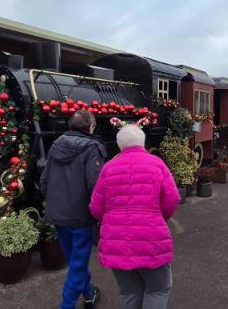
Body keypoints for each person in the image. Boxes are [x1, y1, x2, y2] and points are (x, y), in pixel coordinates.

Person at [90, 125, 180, 309]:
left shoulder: (108, 168)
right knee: (157, 289)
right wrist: (158, 216)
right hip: (151, 239)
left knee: (130, 291)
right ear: (142, 142)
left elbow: (96, 209)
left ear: (119, 145)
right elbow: (172, 198)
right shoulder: (156, 164)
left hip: (115, 241)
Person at [41, 110, 106, 309]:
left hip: (58, 214)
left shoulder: (56, 144)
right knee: (77, 264)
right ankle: (66, 305)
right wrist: (100, 213)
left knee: (75, 261)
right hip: (81, 216)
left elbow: (44, 180)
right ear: (89, 127)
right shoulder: (93, 147)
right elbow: (95, 185)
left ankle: (89, 293)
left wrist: (53, 203)